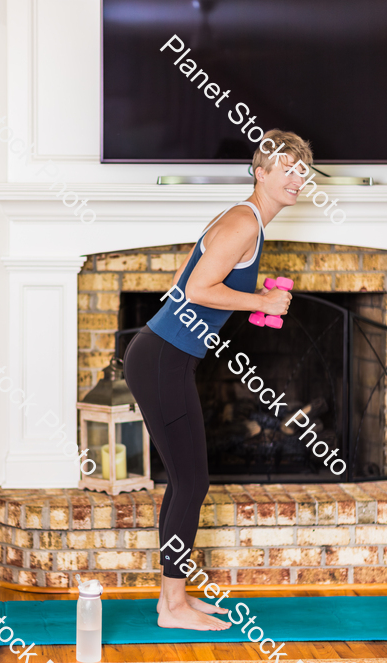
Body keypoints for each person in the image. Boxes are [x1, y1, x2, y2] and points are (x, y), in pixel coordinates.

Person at [123, 130, 313, 630]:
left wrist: (251, 300)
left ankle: (172, 601)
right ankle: (173, 607)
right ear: (261, 171)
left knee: (187, 480)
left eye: (302, 169)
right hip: (162, 358)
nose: (296, 177)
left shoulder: (246, 220)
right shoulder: (243, 223)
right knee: (192, 481)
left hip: (166, 356)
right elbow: (198, 289)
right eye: (286, 167)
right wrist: (261, 302)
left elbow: (189, 283)